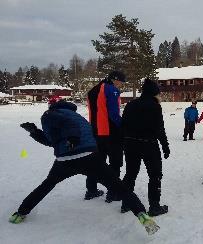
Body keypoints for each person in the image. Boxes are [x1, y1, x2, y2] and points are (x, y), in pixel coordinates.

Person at [8, 100, 159, 235]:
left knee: (46, 185)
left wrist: (72, 138)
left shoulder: (50, 114)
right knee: (118, 186)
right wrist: (35, 132)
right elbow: (54, 140)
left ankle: (21, 213)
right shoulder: (77, 116)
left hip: (66, 160)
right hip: (90, 157)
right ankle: (141, 214)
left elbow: (68, 127)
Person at [121, 79, 170, 216]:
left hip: (130, 144)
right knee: (155, 175)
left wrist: (123, 143)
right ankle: (154, 206)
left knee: (130, 174)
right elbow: (159, 128)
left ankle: (126, 203)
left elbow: (122, 125)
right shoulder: (155, 106)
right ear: (154, 93)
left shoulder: (130, 104)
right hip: (149, 145)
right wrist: (165, 146)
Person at [86, 71, 125, 202]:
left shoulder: (93, 90)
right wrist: (123, 126)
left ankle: (91, 190)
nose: (121, 85)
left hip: (95, 132)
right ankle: (113, 192)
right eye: (121, 82)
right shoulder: (111, 90)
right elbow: (113, 114)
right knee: (115, 162)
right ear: (115, 79)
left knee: (97, 162)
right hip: (110, 132)